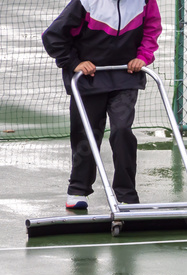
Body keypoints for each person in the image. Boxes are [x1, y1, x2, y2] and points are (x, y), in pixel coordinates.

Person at [42, 0, 162, 210]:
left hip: (126, 74)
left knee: (122, 129)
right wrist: (74, 63)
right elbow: (53, 36)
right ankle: (78, 189)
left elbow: (152, 29)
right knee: (87, 133)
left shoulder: (144, 1)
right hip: (89, 77)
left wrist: (143, 57)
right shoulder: (86, 2)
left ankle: (126, 195)